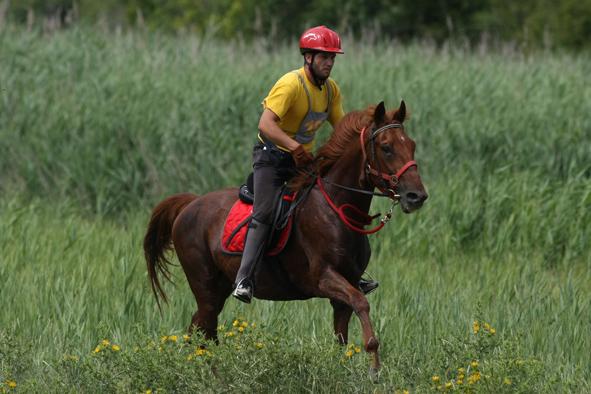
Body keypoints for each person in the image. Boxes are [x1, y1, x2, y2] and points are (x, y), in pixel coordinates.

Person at [232, 25, 378, 303]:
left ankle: (351, 274)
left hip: (303, 162)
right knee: (264, 214)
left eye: (333, 58)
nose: (330, 63)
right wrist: (294, 147)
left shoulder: (331, 90)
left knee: (333, 205)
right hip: (272, 159)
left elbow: (341, 129)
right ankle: (244, 279)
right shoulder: (290, 84)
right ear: (308, 57)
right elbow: (265, 125)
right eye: (324, 57)